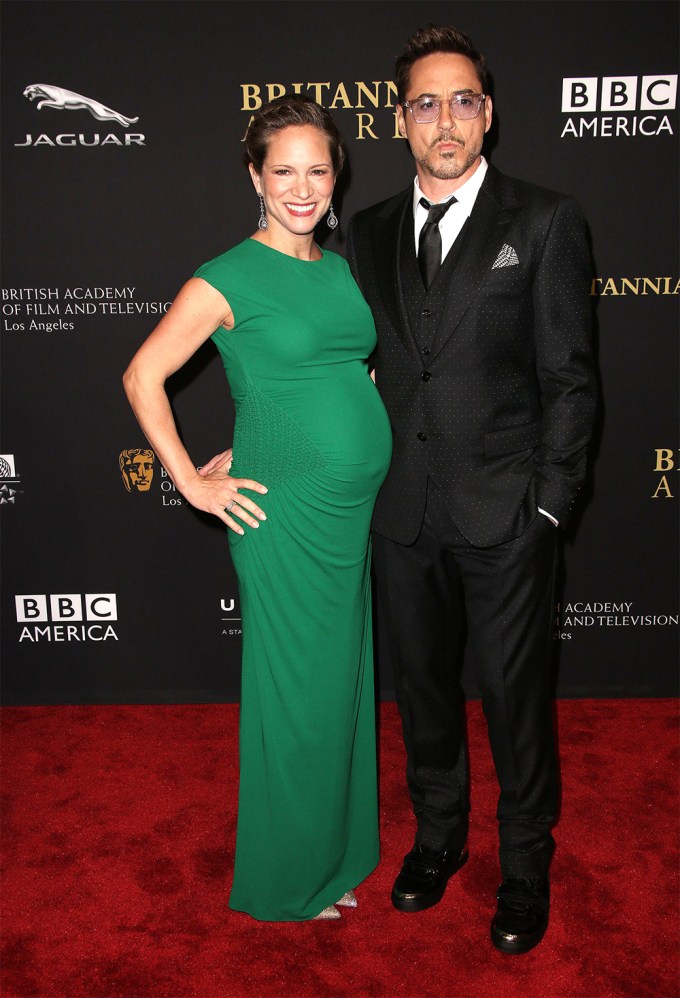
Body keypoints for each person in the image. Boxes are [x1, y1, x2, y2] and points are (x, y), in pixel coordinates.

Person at [347, 25, 596, 953]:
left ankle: (525, 864)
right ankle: (439, 839)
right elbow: (345, 368)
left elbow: (571, 378)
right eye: (424, 102)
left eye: (461, 100)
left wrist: (549, 506)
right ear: (400, 118)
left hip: (506, 513)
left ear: (486, 113)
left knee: (515, 698)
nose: (443, 119)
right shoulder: (366, 231)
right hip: (401, 512)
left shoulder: (544, 219)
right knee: (421, 694)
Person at [123, 93, 392, 921]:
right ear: (255, 176)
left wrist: (277, 430)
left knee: (340, 688)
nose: (303, 188)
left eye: (318, 170)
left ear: (335, 173)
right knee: (297, 703)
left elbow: (343, 370)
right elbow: (143, 377)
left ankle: (337, 852)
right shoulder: (226, 276)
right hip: (287, 523)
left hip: (345, 515)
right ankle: (286, 882)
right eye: (284, 172)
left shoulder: (339, 268)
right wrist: (195, 481)